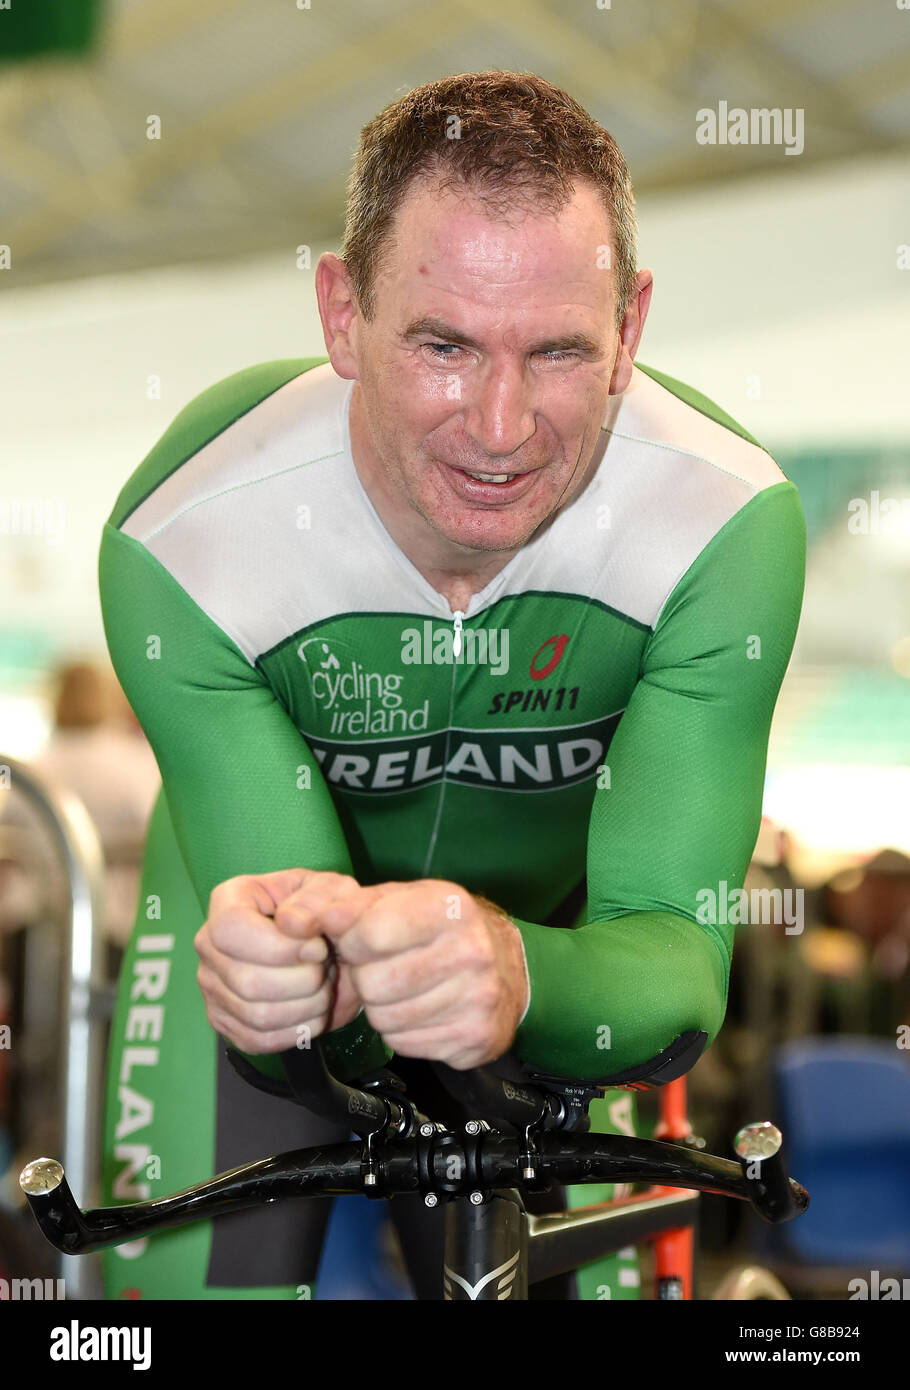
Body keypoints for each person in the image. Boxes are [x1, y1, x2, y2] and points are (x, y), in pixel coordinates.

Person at [97, 70, 805, 1300]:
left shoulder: (720, 523)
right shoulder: (188, 530)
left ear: (630, 331)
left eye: (560, 352)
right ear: (339, 310)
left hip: (566, 945)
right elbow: (305, 1004)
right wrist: (319, 986)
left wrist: (520, 974)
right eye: (441, 344)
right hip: (253, 933)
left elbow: (677, 974)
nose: (498, 424)